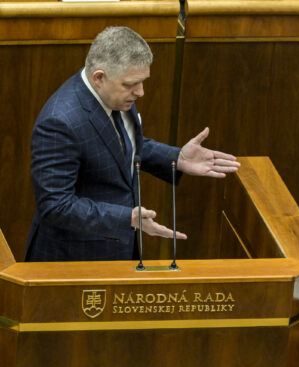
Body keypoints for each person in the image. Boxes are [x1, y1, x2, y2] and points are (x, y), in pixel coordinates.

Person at [25, 26, 240, 262]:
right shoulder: (60, 122)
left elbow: (120, 146)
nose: (141, 92)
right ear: (99, 77)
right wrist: (126, 217)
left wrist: (177, 158)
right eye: (131, 85)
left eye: (142, 82)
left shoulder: (116, 94)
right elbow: (55, 205)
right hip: (75, 259)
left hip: (117, 247)